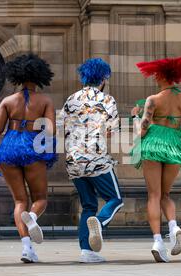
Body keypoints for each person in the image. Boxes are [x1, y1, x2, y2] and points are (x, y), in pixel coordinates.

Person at [130, 57, 181, 262]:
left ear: (162, 76)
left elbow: (143, 130)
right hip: (174, 145)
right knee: (166, 194)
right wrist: (178, 133)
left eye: (156, 75)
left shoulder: (153, 100)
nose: (154, 77)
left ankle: (157, 241)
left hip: (153, 144)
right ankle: (174, 226)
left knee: (154, 195)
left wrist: (136, 117)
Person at [0, 53, 57, 263]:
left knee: (20, 200)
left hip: (9, 147)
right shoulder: (45, 100)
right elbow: (51, 131)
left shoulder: (8, 101)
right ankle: (33, 217)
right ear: (40, 77)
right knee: (40, 198)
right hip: (32, 147)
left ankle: (27, 249)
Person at [59, 58, 123, 263]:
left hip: (73, 161)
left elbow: (61, 128)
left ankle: (87, 252)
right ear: (104, 78)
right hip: (96, 160)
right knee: (115, 199)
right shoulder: (108, 100)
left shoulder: (71, 99)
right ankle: (100, 224)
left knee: (88, 205)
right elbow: (112, 132)